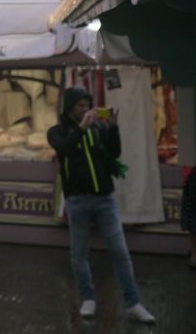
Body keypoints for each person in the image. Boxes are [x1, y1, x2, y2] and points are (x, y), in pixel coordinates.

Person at [47, 87, 156, 324]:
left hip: (105, 200)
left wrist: (113, 127)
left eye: (88, 105)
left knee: (120, 252)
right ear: (69, 107)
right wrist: (81, 127)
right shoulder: (56, 131)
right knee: (79, 255)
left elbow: (115, 153)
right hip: (77, 200)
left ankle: (133, 303)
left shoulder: (98, 128)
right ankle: (88, 298)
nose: (85, 109)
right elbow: (64, 150)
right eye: (80, 105)